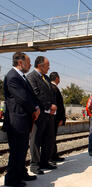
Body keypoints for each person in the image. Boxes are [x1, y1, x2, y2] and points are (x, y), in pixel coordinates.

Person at [4, 52, 40, 187]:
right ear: (20, 63)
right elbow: (22, 98)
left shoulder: (22, 77)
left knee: (22, 149)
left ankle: (21, 173)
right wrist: (34, 109)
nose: (30, 65)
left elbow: (30, 95)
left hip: (24, 120)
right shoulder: (12, 77)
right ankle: (12, 179)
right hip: (16, 121)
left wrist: (36, 106)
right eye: (28, 62)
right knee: (16, 151)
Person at [27, 56, 57, 175]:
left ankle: (44, 161)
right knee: (36, 139)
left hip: (49, 115)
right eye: (47, 65)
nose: (49, 67)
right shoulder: (31, 77)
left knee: (48, 139)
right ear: (40, 66)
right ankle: (34, 164)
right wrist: (49, 106)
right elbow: (36, 94)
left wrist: (54, 104)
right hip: (39, 114)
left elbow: (52, 93)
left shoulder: (47, 78)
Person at [49, 72, 66, 162]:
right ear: (56, 78)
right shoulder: (53, 88)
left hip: (54, 118)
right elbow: (58, 105)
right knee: (51, 137)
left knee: (52, 137)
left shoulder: (51, 87)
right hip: (54, 118)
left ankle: (53, 155)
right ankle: (52, 156)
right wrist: (61, 118)